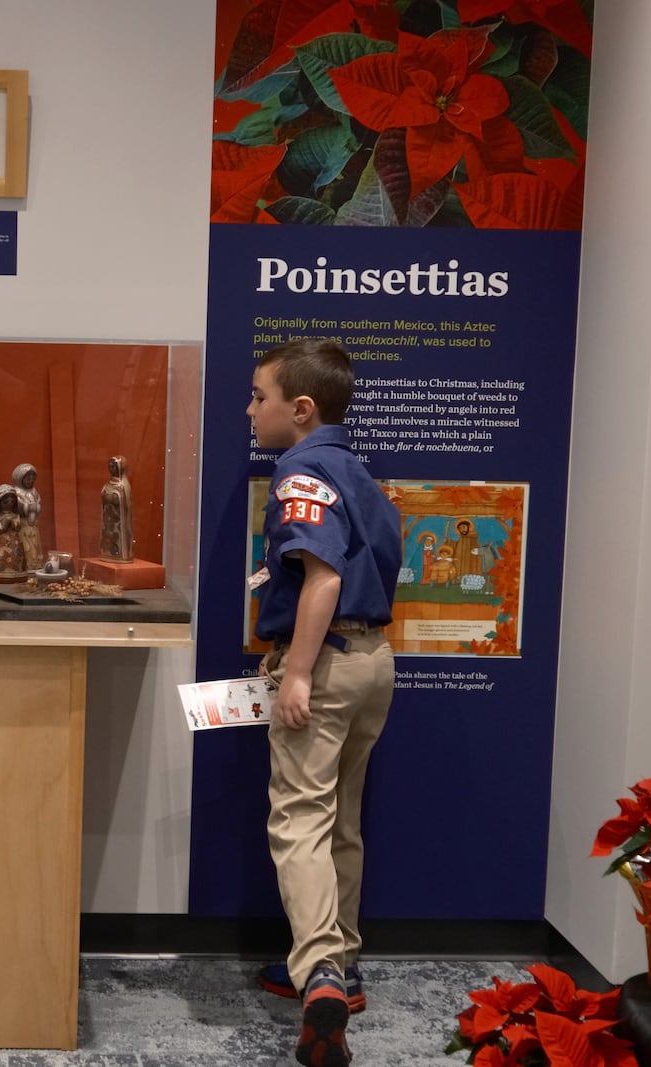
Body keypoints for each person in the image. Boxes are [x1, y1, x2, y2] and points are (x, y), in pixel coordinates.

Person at [245, 339, 401, 1067]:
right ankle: (343, 959)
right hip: (374, 662)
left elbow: (324, 577)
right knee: (341, 814)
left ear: (300, 409)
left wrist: (298, 671)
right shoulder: (357, 473)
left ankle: (321, 975)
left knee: (299, 815)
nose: (251, 409)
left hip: (329, 658)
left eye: (260, 396)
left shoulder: (301, 469)